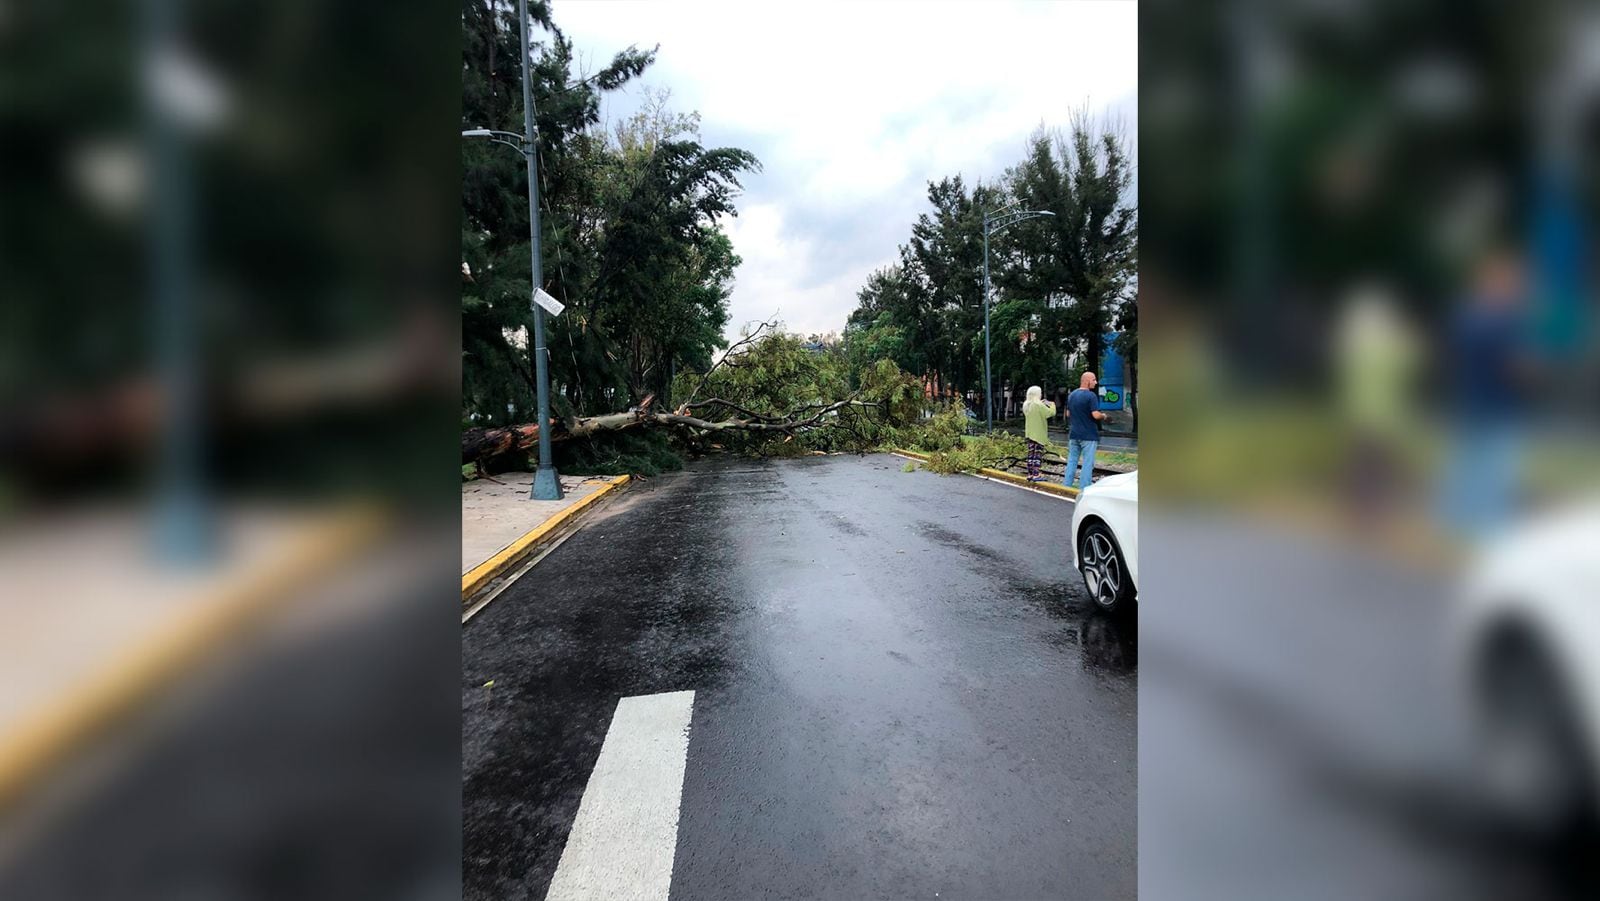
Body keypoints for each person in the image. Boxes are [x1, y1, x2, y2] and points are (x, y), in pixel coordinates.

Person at [1063, 371, 1105, 492]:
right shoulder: (1091, 396)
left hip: (1074, 434)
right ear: (1087, 381)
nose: (1096, 383)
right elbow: (1095, 415)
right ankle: (1084, 489)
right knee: (1087, 463)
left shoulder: (1072, 395)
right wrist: (1104, 416)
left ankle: (1066, 486)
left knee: (1072, 461)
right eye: (1094, 380)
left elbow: (1068, 413)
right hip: (1089, 435)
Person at [1021, 385, 1055, 482]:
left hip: (1030, 433)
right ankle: (1036, 475)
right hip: (1039, 433)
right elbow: (1050, 413)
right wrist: (1052, 404)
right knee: (1038, 454)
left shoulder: (1027, 405)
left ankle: (1030, 474)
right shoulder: (1038, 405)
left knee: (1031, 453)